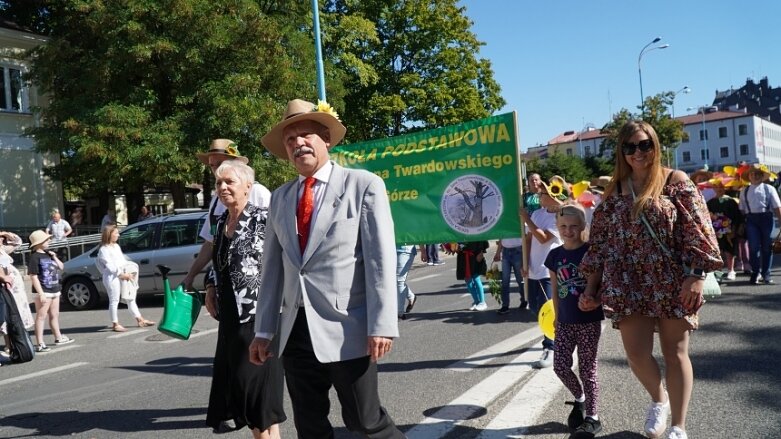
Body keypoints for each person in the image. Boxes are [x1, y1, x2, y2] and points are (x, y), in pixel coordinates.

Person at [249, 98, 403, 438]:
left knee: (365, 420)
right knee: (309, 424)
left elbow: (380, 260)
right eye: (290, 140)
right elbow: (272, 269)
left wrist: (381, 324)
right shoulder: (280, 197)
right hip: (296, 330)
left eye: (306, 135)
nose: (298, 144)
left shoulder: (362, 185)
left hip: (348, 327)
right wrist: (264, 330)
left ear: (326, 140)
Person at [579, 120, 721, 439]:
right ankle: (659, 400)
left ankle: (678, 427)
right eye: (630, 147)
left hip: (673, 280)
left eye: (644, 144)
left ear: (655, 145)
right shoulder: (615, 191)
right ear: (622, 152)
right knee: (636, 353)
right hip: (628, 282)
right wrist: (591, 287)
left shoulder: (675, 181)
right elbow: (600, 243)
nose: (638, 153)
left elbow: (700, 231)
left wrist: (696, 276)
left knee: (676, 352)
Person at [203, 160, 285, 438]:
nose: (223, 187)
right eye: (218, 183)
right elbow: (219, 263)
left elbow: (286, 261)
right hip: (230, 321)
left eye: (229, 182)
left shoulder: (265, 218)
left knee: (255, 396)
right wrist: (211, 287)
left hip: (259, 318)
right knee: (256, 403)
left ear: (249, 186)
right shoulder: (220, 223)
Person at [544, 204, 604, 438]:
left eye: (573, 226)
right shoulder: (555, 255)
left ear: (582, 227)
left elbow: (602, 283)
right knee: (560, 366)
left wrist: (596, 299)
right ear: (557, 228)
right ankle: (580, 398)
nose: (568, 231)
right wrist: (558, 318)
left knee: (588, 370)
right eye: (563, 227)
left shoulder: (591, 252)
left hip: (588, 321)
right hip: (566, 321)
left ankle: (593, 416)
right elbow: (556, 289)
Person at [182, 139, 271, 291]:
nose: (215, 170)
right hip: (224, 289)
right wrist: (193, 277)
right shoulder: (216, 200)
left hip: (255, 290)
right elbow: (211, 244)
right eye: (212, 165)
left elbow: (273, 243)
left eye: (220, 164)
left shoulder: (257, 192)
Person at [521, 177, 565, 369]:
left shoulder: (560, 216)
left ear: (553, 197)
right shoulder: (537, 213)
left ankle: (551, 347)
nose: (540, 195)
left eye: (543, 193)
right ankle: (561, 338)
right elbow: (530, 239)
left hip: (550, 271)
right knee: (534, 308)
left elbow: (543, 237)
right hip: (533, 269)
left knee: (549, 311)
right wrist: (526, 263)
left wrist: (526, 219)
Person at [96, 225, 155, 332]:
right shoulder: (104, 249)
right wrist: (122, 275)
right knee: (114, 300)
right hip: (111, 277)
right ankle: (115, 324)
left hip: (122, 275)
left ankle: (140, 319)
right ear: (110, 234)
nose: (118, 235)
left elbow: (122, 261)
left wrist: (130, 269)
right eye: (116, 233)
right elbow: (110, 266)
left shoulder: (116, 246)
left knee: (130, 297)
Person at [27, 230, 74, 352]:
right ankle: (40, 343)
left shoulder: (48, 254)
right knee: (41, 316)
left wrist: (54, 256)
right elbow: (33, 276)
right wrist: (41, 293)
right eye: (46, 240)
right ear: (39, 243)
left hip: (54, 288)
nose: (49, 241)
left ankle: (58, 337)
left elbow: (61, 266)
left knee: (54, 315)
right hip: (43, 290)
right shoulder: (34, 257)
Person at [738, 164, 781, 285]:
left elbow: (777, 207)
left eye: (758, 174)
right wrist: (741, 224)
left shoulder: (769, 189)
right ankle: (755, 272)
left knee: (767, 247)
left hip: (766, 218)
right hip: (751, 220)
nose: (755, 176)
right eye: (752, 174)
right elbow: (741, 209)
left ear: (762, 176)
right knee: (753, 247)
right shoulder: (744, 190)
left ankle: (766, 274)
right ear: (749, 177)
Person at [0, 231, 34, 353]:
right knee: (8, 316)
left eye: (2, 238)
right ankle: (8, 345)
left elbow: (18, 242)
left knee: (17, 315)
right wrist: (3, 278)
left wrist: (6, 234)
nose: (1, 240)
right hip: (6, 288)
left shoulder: (3, 250)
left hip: (16, 289)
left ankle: (19, 342)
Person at [706, 179, 743, 281]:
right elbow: (706, 216)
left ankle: (731, 270)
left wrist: (736, 227)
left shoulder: (731, 201)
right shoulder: (710, 202)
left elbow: (737, 216)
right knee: (718, 250)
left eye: (721, 187)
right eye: (717, 187)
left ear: (725, 188)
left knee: (729, 249)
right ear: (713, 188)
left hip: (729, 230)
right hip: (715, 230)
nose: (719, 189)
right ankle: (719, 271)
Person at [446, 241, 489, 311]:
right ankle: (476, 301)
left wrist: (481, 252)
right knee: (468, 280)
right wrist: (452, 247)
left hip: (474, 255)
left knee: (476, 278)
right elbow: (455, 242)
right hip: (463, 257)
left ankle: (482, 302)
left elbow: (483, 238)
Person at [493, 236, 526, 314]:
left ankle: (524, 299)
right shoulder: (503, 223)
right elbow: (501, 236)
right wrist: (498, 252)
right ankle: (505, 305)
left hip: (518, 250)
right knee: (505, 281)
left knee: (520, 279)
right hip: (505, 251)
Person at [396, 244, 418, 320]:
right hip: (389, 248)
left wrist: (423, 250)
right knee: (392, 281)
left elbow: (419, 233)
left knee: (399, 280)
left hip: (405, 249)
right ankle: (411, 296)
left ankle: (400, 313)